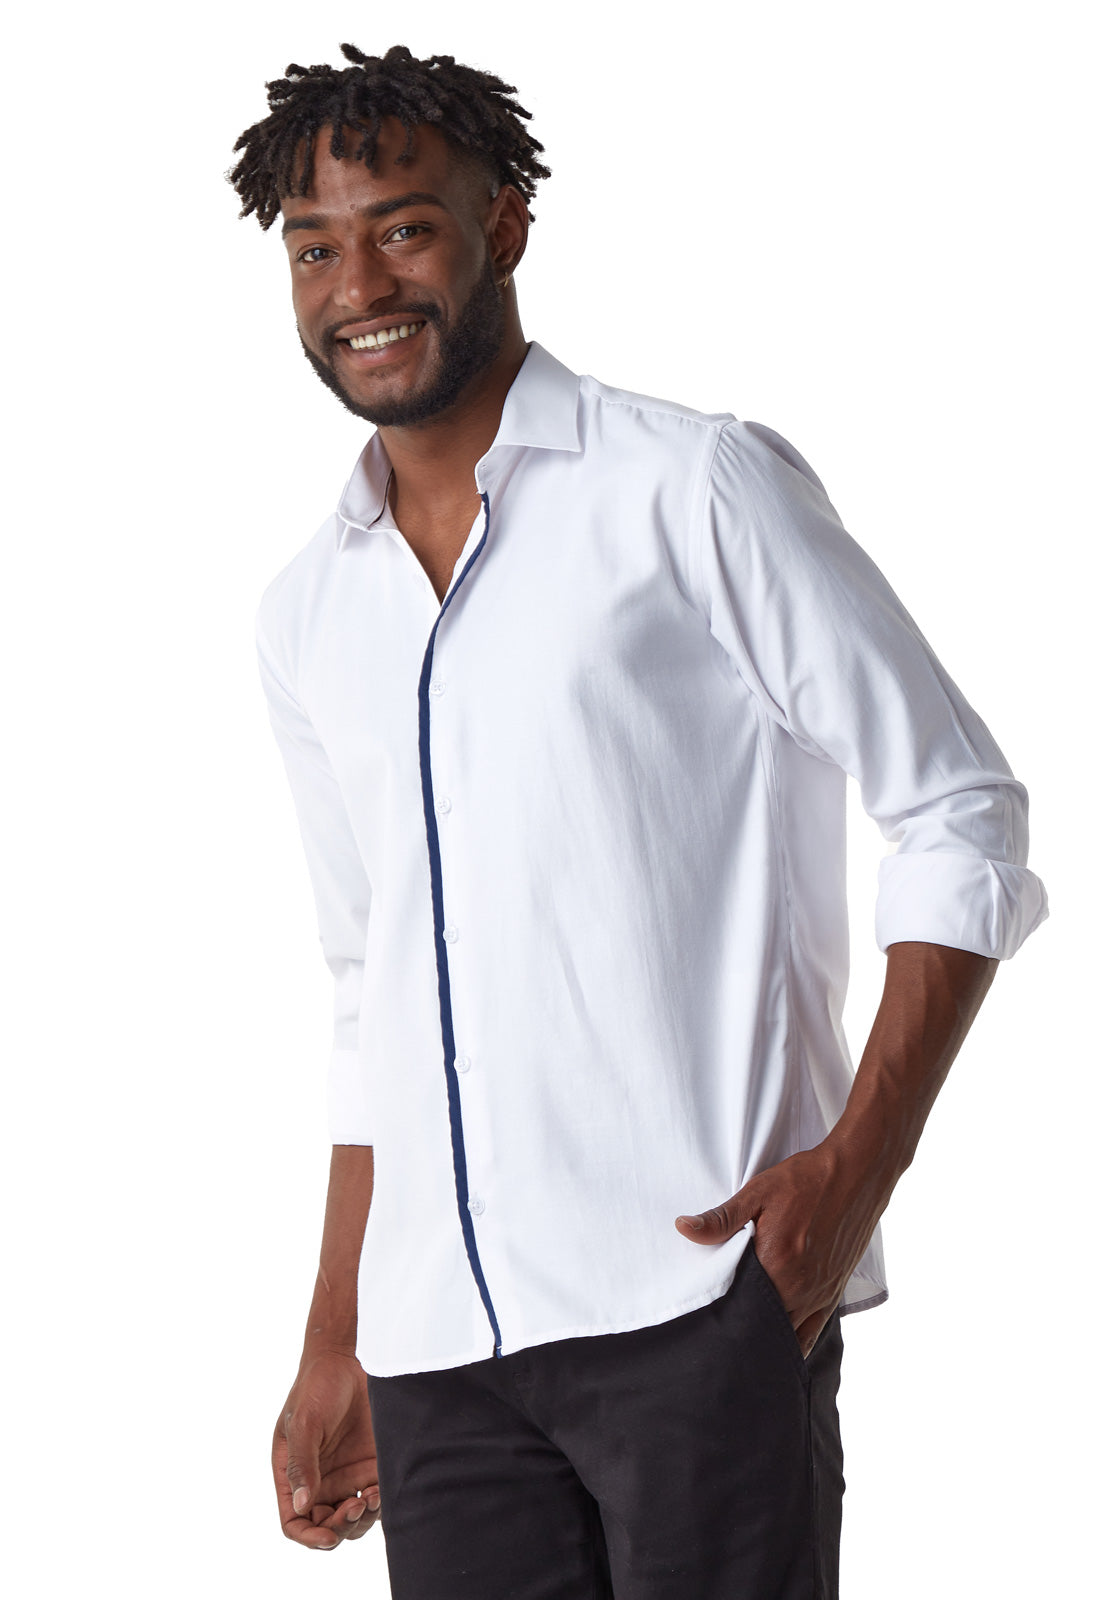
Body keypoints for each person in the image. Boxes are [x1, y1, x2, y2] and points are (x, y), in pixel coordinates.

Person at [231, 43, 1048, 1599]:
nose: (360, 285)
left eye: (404, 228)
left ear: (505, 225)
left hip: (697, 1303)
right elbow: (366, 993)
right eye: (317, 249)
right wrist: (338, 1334)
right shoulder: (305, 612)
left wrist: (854, 1177)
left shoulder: (693, 488)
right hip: (437, 1354)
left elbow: (959, 809)